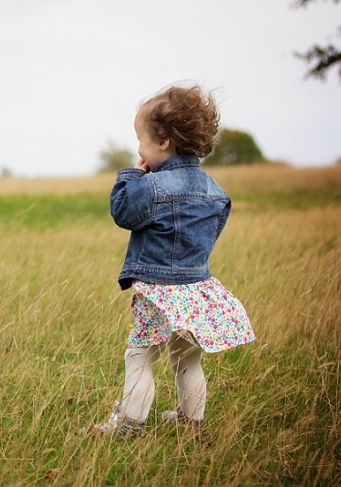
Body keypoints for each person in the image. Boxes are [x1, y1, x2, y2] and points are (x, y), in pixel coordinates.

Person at [86, 83, 255, 436]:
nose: (139, 147)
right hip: (196, 290)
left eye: (142, 138)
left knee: (140, 357)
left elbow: (122, 212)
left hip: (158, 291)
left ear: (163, 142)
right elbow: (211, 232)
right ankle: (191, 421)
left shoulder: (152, 187)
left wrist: (133, 175)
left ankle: (130, 425)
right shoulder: (215, 190)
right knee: (186, 359)